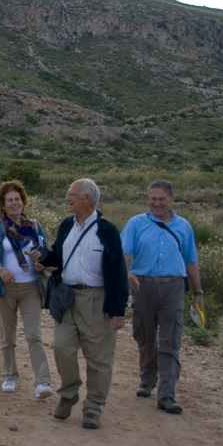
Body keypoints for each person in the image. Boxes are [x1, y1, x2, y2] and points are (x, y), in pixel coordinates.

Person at [37, 178, 128, 430]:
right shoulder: (67, 225)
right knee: (61, 347)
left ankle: (94, 407)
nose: (67, 198)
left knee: (99, 358)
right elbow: (58, 255)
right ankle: (69, 394)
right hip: (67, 298)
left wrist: (118, 310)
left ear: (87, 199)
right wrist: (43, 257)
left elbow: (118, 271)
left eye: (72, 194)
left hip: (96, 300)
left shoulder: (107, 230)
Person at [122, 179, 202, 415]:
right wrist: (127, 273)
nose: (157, 203)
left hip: (173, 287)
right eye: (153, 199)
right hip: (143, 286)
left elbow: (191, 261)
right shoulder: (136, 223)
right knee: (145, 335)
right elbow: (123, 253)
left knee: (170, 340)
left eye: (161, 199)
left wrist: (198, 292)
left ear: (172, 199)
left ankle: (167, 394)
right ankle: (147, 380)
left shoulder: (183, 226)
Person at [0, 180, 54, 398]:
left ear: (23, 202)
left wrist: (41, 262)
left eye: (17, 199)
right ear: (3, 205)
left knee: (34, 335)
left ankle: (42, 382)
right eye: (10, 200)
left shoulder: (35, 227)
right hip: (5, 289)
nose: (14, 203)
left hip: (31, 287)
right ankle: (9, 376)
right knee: (8, 336)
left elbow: (44, 253)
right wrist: (0, 270)